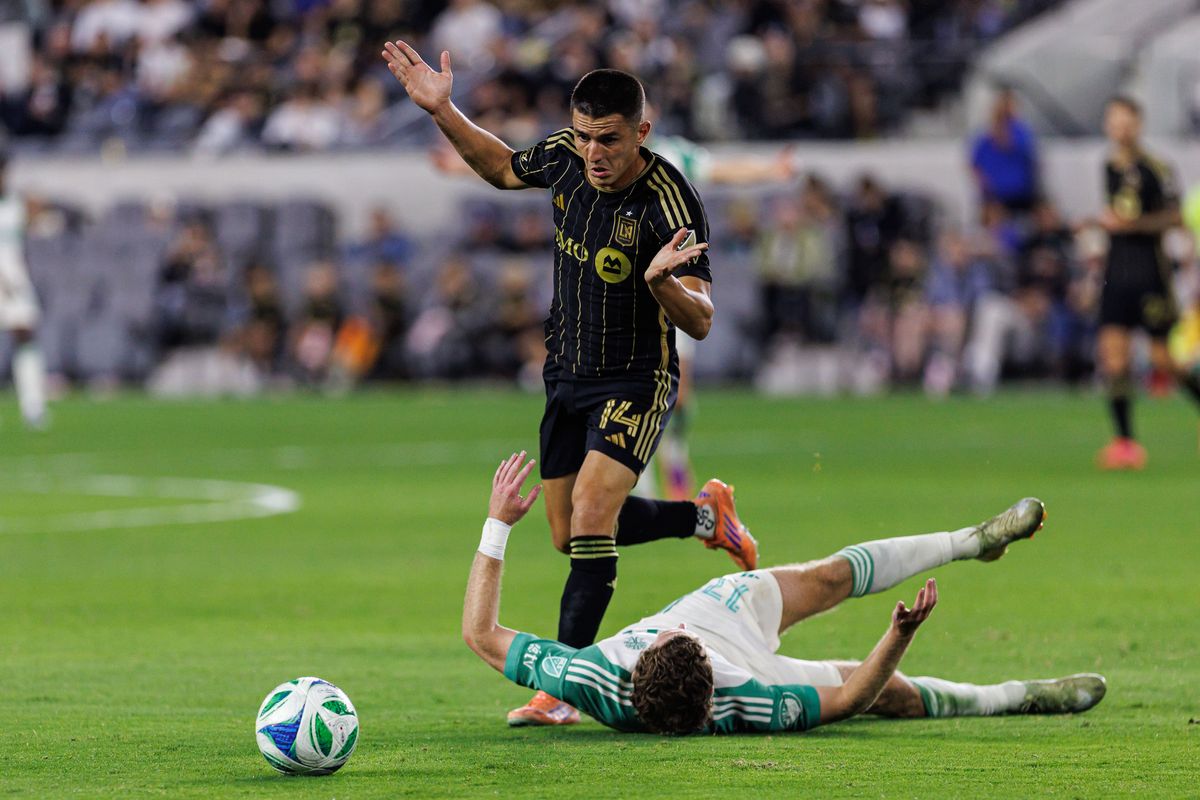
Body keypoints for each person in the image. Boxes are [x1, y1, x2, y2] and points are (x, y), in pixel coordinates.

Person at [382, 43, 758, 726]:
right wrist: (442, 109)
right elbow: (499, 165)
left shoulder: (672, 202)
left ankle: (564, 688)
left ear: (640, 133)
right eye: (584, 137)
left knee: (591, 514)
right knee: (568, 535)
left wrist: (662, 281)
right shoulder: (563, 157)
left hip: (637, 380)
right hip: (568, 374)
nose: (593, 153)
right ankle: (706, 518)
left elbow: (701, 321)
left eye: (608, 140)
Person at [465, 452, 1107, 735]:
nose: (664, 627)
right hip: (742, 651)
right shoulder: (745, 702)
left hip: (714, 613)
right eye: (670, 632)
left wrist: (498, 524)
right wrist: (897, 636)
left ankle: (972, 540)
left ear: (640, 656)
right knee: (897, 698)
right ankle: (1018, 698)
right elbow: (854, 697)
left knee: (828, 579)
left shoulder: (592, 673)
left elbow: (480, 634)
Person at [1092, 96, 1200, 470]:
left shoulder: (1157, 168)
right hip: (1115, 273)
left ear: (1137, 124)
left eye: (1126, 120)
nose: (1119, 127)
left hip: (1150, 274)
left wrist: (1132, 226)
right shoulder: (1107, 166)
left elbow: (1175, 217)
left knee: (1166, 361)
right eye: (1114, 120)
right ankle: (1124, 443)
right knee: (1114, 358)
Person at [0, 150, 49, 430]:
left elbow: (34, 223)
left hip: (15, 282)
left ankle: (33, 405)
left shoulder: (14, 204)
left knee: (25, 334)